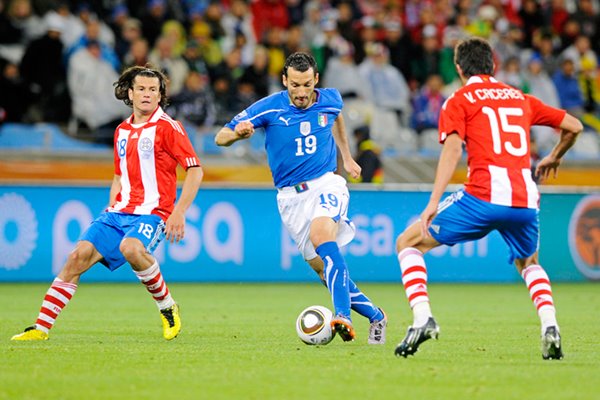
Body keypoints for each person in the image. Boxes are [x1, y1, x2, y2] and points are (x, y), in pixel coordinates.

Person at [393, 38, 582, 360]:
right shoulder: (520, 98)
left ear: (458, 68)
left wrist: (433, 201)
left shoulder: (459, 99)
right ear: (493, 65)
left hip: (481, 197)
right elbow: (574, 126)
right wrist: (553, 156)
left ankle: (423, 318)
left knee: (407, 243)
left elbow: (453, 149)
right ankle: (550, 326)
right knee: (530, 263)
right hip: (524, 201)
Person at [11, 65, 204, 341]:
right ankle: (40, 329)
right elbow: (118, 175)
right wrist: (111, 205)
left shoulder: (169, 128)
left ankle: (167, 307)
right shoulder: (121, 131)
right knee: (76, 257)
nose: (147, 95)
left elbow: (195, 170)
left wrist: (179, 211)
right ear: (130, 93)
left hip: (153, 212)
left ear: (160, 96)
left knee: (131, 248)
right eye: (141, 89)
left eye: (153, 90)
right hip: (118, 212)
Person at [215, 52, 387, 344]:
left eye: (307, 84)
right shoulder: (268, 107)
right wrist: (237, 136)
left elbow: (337, 120)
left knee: (323, 236)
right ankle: (376, 316)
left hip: (326, 184)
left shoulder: (330, 99)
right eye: (294, 85)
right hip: (290, 200)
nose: (301, 92)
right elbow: (221, 136)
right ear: (285, 81)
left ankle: (342, 316)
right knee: (324, 271)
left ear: (316, 80)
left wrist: (346, 157)